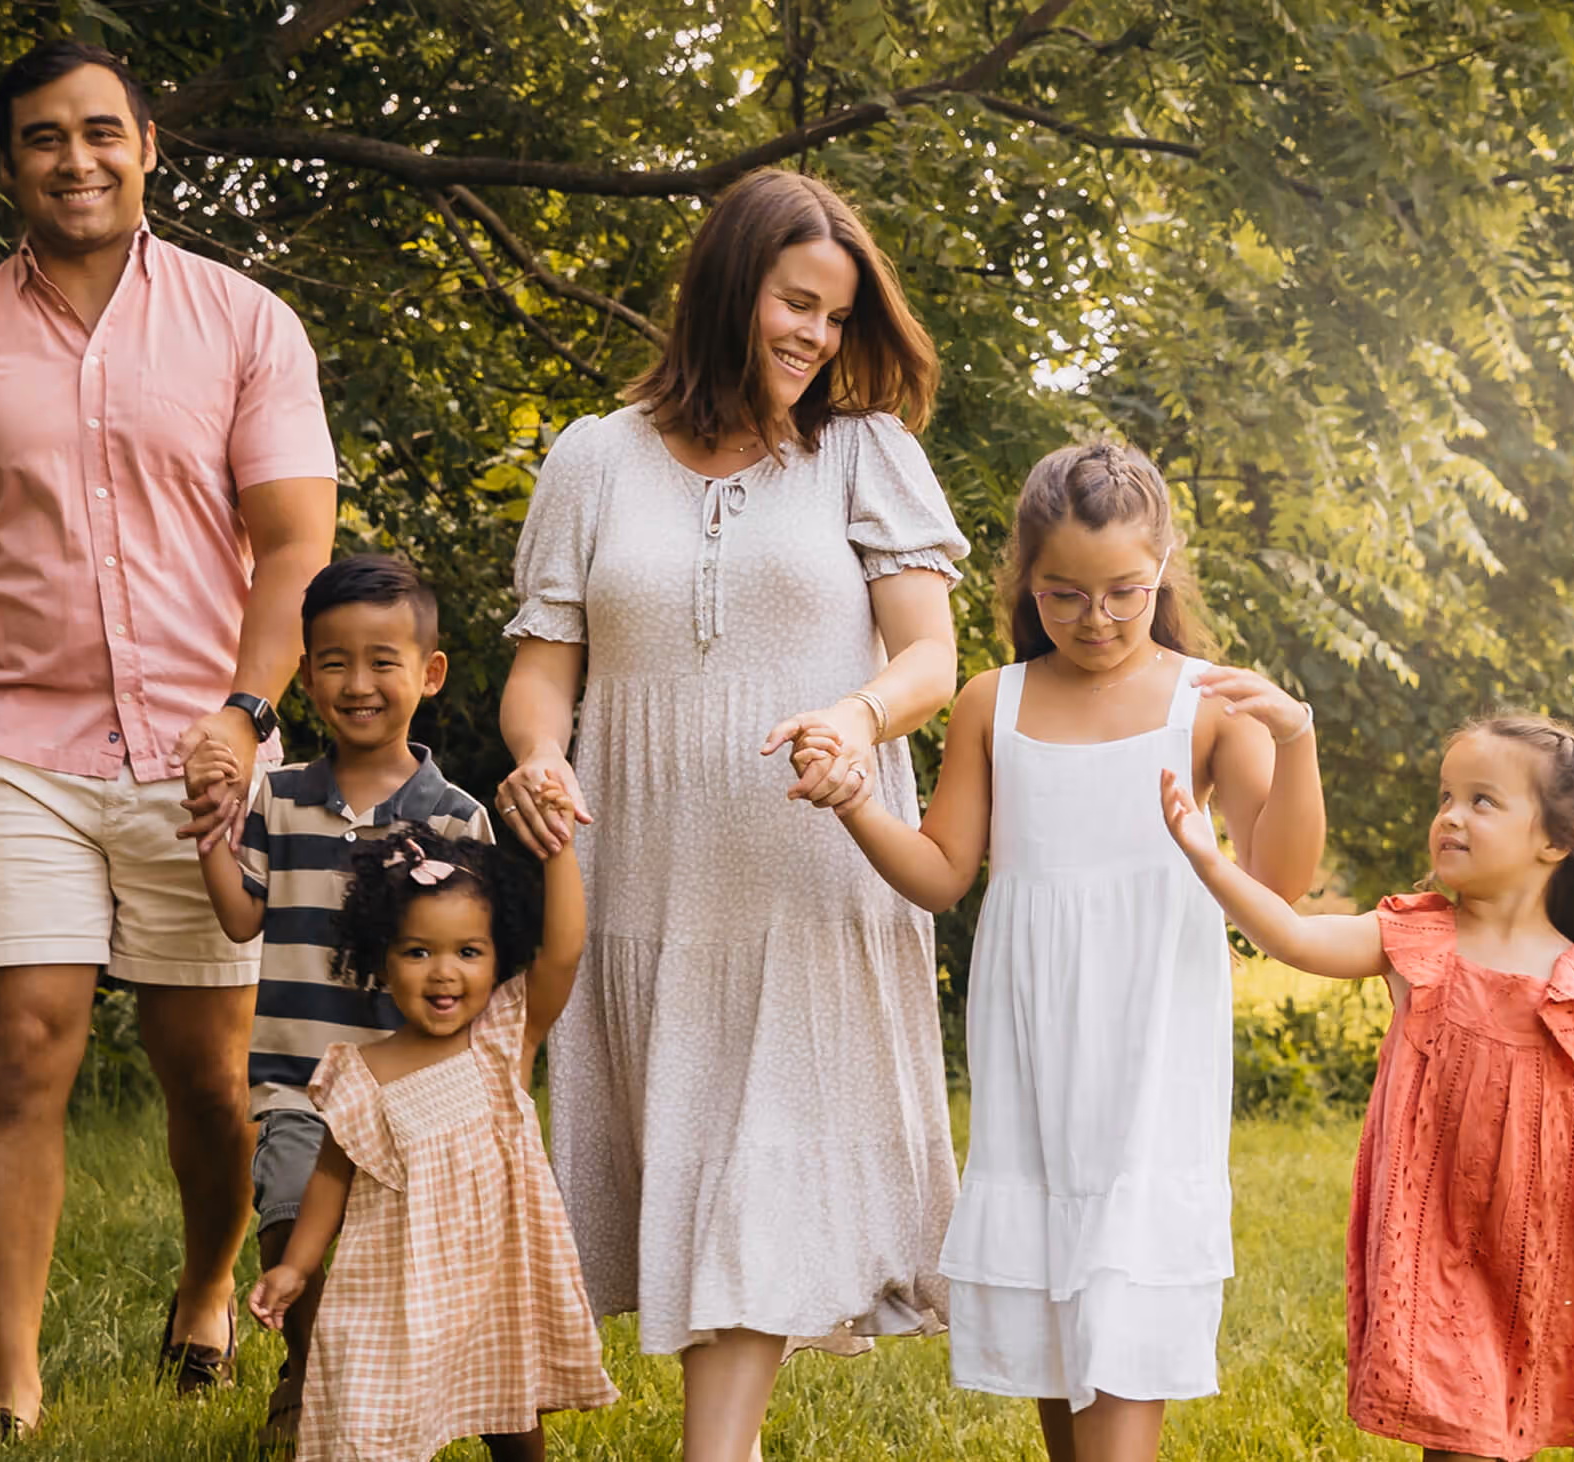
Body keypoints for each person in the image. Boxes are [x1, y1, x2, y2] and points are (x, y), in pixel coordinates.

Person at [0, 37, 339, 1433]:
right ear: (6, 161)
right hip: (18, 741)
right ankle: (12, 1380)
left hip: (202, 743)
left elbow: (294, 543)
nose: (74, 158)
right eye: (41, 139)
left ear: (146, 146)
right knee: (23, 1040)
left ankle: (204, 1287)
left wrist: (248, 716)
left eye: (98, 132)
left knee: (207, 1067)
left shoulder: (245, 324)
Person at [493, 166, 965, 1461]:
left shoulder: (864, 455)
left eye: (835, 314)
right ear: (725, 287)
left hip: (809, 866)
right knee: (696, 1152)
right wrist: (537, 757)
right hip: (641, 869)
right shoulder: (593, 457)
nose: (815, 335)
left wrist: (859, 719)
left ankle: (717, 1451)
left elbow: (933, 657)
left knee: (756, 1159)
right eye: (793, 302)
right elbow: (544, 672)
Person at [823, 441, 1325, 1458]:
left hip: (1152, 1045)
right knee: (1060, 1311)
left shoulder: (1211, 703)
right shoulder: (988, 701)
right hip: (1035, 1047)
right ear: (1025, 581)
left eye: (1123, 593)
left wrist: (1299, 741)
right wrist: (852, 803)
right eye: (1063, 595)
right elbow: (939, 872)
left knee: (1123, 1293)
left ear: (1163, 571)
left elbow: (1277, 884)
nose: (1095, 619)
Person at [1160, 714, 1574, 1460]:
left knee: (1496, 1421)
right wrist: (1207, 859)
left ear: (1555, 841)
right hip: (1425, 1225)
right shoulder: (1415, 937)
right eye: (1446, 797)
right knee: (1455, 1419)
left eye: (1482, 801)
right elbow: (1292, 937)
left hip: (1526, 1237)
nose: (1450, 816)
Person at [191, 554, 494, 1448]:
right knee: (294, 1227)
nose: (357, 684)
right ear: (306, 672)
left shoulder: (455, 817)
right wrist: (209, 832)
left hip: (412, 1089)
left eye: (382, 662)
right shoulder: (276, 800)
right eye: (332, 662)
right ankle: (307, 1376)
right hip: (299, 1080)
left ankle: (372, 1395)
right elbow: (242, 919)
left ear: (429, 674)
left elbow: (480, 965)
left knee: (390, 1257)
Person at [245, 825, 618, 1460]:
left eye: (469, 952)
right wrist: (296, 1265)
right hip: (392, 1289)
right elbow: (331, 1178)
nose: (444, 973)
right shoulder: (355, 1073)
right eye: (417, 952)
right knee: (369, 1417)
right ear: (380, 958)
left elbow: (563, 952)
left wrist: (559, 850)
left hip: (493, 1274)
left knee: (510, 1407)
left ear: (499, 956)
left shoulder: (503, 1040)